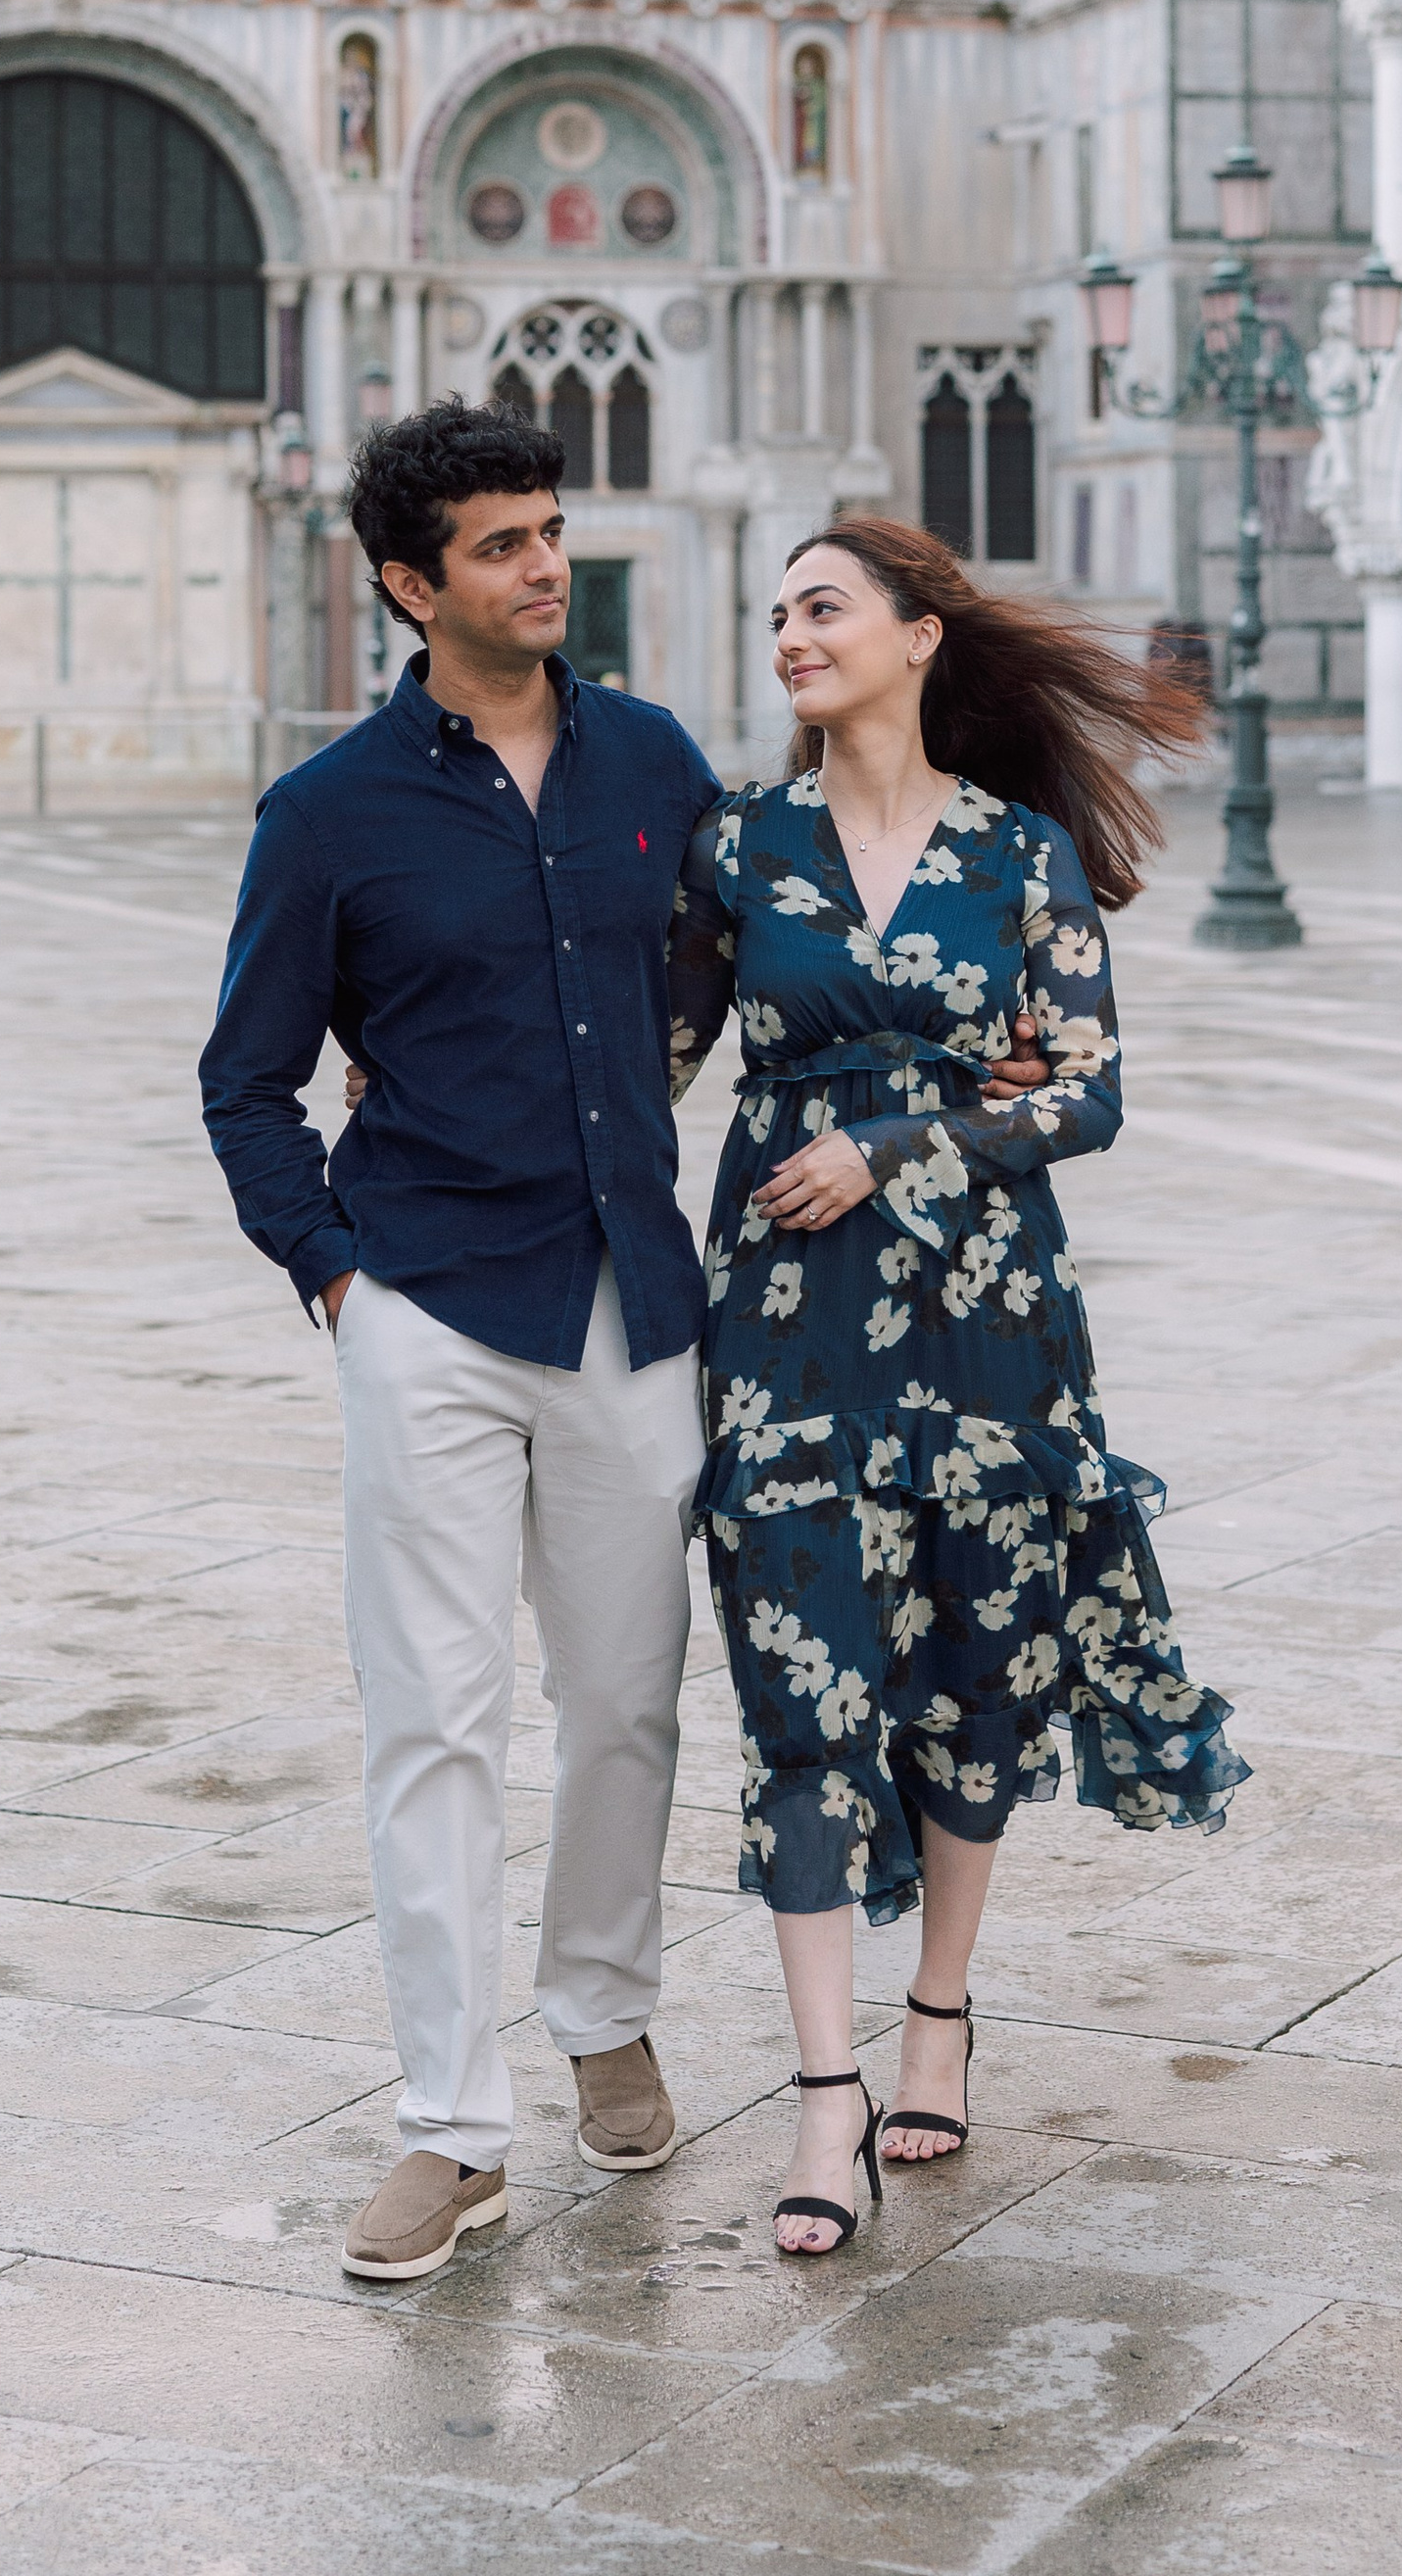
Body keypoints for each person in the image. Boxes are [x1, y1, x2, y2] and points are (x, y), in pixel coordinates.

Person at [663, 518, 1249, 2256]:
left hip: (987, 1319)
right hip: (779, 1317)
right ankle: (824, 2087)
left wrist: (899, 1139)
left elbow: (1087, 1092)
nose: (789, 636)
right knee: (799, 1672)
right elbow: (648, 1061)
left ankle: (941, 2012)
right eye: (774, 615)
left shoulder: (1023, 857)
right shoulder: (735, 848)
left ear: (920, 637)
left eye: (822, 608)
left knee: (978, 1667)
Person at [197, 401, 720, 2284]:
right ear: (413, 586)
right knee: (433, 1722)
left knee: (629, 1697)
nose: (544, 565)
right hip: (424, 1306)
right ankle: (448, 2125)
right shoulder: (330, 815)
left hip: (630, 1312)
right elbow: (245, 1082)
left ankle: (604, 2007)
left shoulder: (655, 761)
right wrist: (338, 1276)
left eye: (550, 530)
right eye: (501, 545)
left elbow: (744, 963)